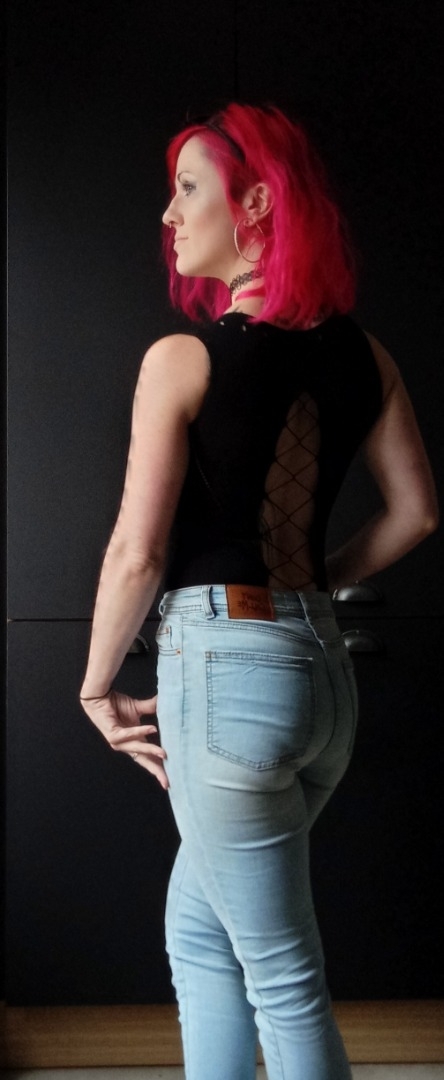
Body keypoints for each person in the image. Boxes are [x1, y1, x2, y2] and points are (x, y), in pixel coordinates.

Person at [80, 104, 438, 1079]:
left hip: (227, 683)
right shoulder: (369, 358)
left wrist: (95, 686)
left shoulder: (181, 359)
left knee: (281, 975)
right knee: (200, 934)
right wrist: (309, 588)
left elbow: (136, 555)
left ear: (258, 204)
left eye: (188, 189)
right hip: (323, 689)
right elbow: (416, 515)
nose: (168, 213)